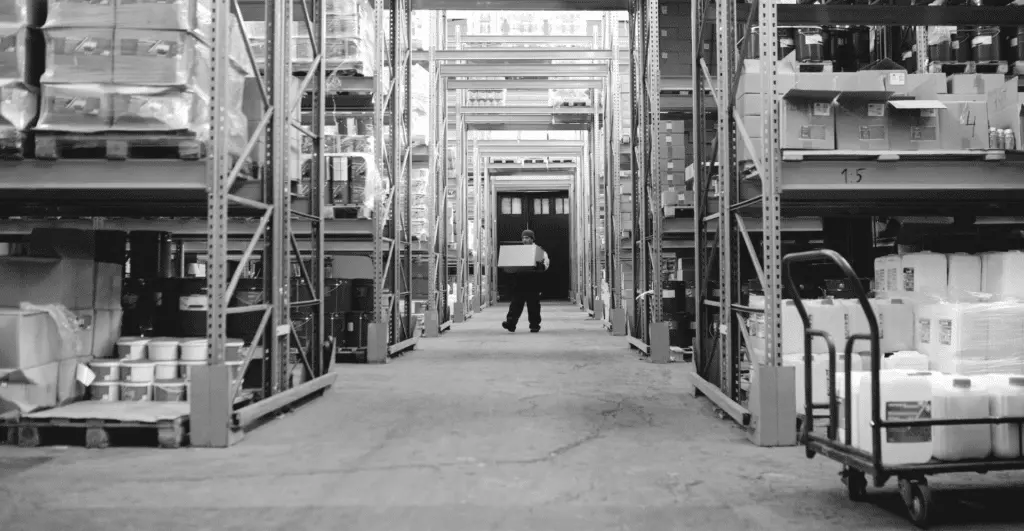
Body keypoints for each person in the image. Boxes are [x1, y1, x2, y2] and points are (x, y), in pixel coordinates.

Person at [502, 229, 550, 333]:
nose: (525, 240)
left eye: (527, 238)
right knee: (515, 304)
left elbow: (546, 264)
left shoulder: (539, 250)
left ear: (532, 239)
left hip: (533, 282)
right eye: (523, 238)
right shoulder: (518, 251)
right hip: (520, 282)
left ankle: (534, 325)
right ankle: (511, 323)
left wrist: (539, 265)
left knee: (533, 305)